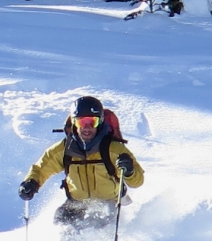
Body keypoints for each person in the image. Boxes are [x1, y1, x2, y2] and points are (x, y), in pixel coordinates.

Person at [18, 96, 144, 230]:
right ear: (73, 123)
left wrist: (129, 171)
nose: (87, 128)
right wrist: (30, 183)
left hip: (109, 203)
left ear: (100, 122)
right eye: (81, 122)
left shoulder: (114, 149)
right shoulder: (64, 149)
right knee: (60, 221)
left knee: (96, 224)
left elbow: (138, 181)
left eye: (92, 122)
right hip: (76, 203)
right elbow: (41, 169)